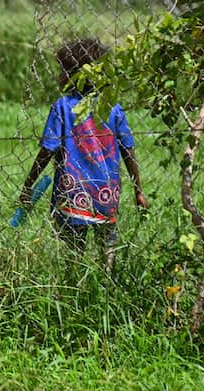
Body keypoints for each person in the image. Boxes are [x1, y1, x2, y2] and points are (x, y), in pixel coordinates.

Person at [18, 37, 147, 260]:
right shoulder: (112, 108)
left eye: (63, 71)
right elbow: (128, 149)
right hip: (106, 192)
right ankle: (107, 283)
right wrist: (138, 190)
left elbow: (47, 150)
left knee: (73, 250)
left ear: (73, 75)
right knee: (108, 245)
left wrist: (28, 185)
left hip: (72, 192)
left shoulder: (63, 107)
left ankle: (74, 288)